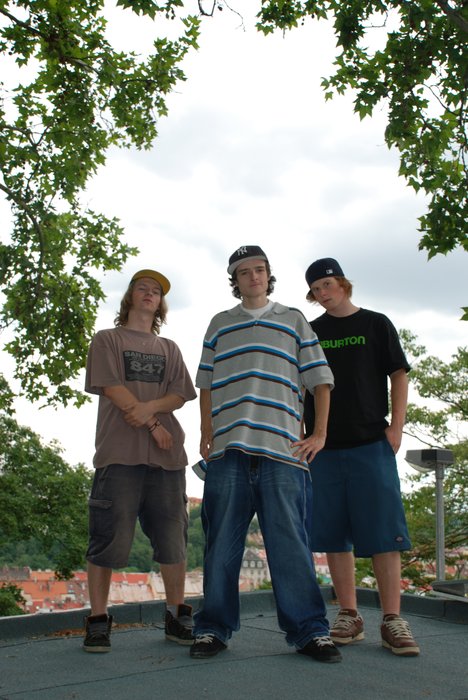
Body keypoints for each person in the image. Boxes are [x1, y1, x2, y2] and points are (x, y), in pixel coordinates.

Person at [190, 245, 341, 664]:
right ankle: (212, 628)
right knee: (220, 546)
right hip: (229, 451)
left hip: (283, 452)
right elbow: (206, 384)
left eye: (260, 269)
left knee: (291, 546)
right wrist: (206, 431)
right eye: (244, 272)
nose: (253, 276)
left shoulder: (293, 320)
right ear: (235, 280)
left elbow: (321, 381)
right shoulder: (220, 324)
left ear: (268, 275)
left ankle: (310, 631)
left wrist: (320, 434)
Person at [298, 257, 419, 657]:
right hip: (323, 448)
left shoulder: (376, 324)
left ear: (344, 284)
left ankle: (392, 619)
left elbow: (398, 374)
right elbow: (301, 388)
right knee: (334, 534)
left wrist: (396, 427)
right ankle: (349, 614)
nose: (323, 293)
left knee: (385, 534)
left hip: (371, 442)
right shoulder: (311, 332)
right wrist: (301, 434)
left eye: (328, 284)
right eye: (316, 289)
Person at [83, 269, 197, 652]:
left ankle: (176, 615)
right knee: (107, 540)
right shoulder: (107, 339)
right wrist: (153, 423)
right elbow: (112, 388)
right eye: (142, 288)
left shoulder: (170, 348)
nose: (149, 294)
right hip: (118, 455)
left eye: (156, 291)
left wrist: (149, 410)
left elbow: (180, 395)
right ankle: (98, 621)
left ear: (160, 304)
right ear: (130, 297)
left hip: (167, 459)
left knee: (173, 539)